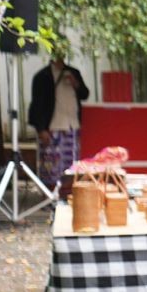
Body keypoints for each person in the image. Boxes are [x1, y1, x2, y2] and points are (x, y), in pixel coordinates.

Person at [28, 48, 88, 188]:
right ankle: (50, 199)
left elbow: (85, 94)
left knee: (71, 166)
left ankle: (68, 195)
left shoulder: (74, 72)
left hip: (71, 126)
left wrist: (76, 84)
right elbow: (37, 104)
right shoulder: (42, 76)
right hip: (52, 127)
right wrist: (41, 128)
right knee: (50, 167)